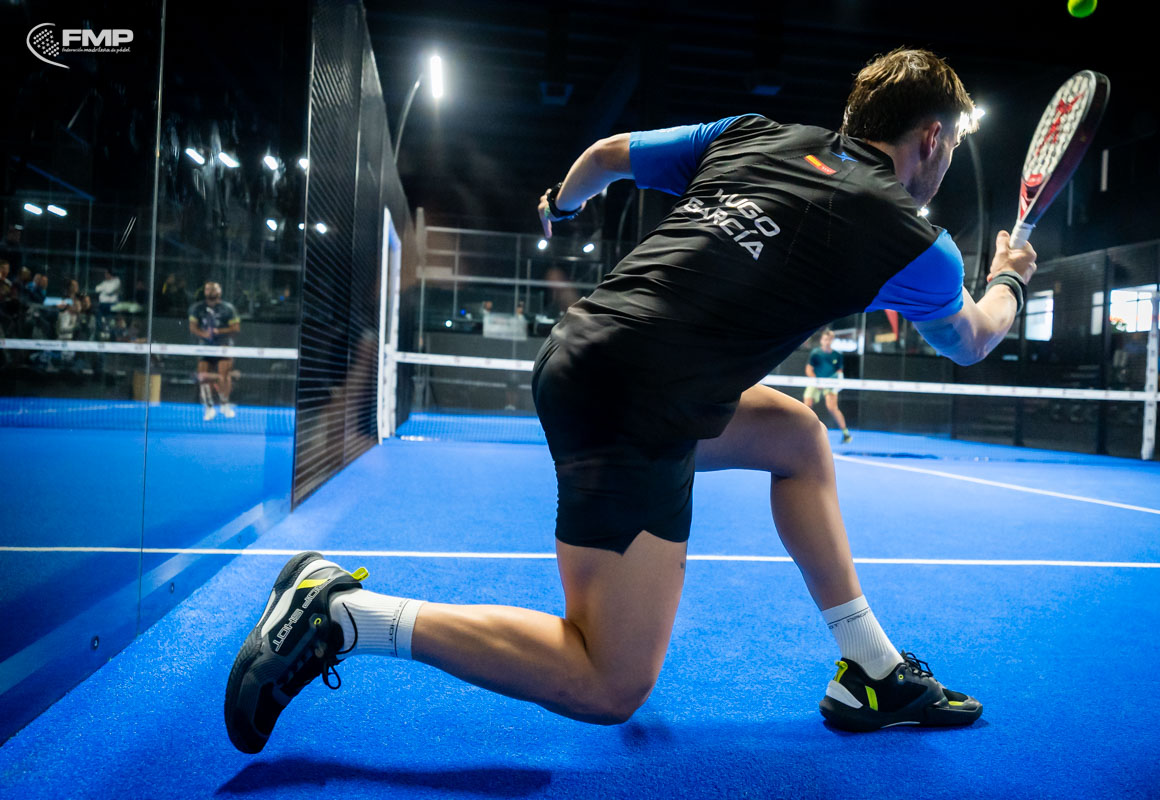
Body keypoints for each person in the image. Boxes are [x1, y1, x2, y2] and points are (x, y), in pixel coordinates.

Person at [225, 48, 1038, 753]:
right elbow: (972, 338)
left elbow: (608, 154)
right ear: (932, 139)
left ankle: (871, 669)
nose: (947, 157)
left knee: (795, 440)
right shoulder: (911, 238)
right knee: (608, 683)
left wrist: (562, 203)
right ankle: (345, 615)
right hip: (639, 399)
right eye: (953, 144)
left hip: (582, 349)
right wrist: (1009, 277)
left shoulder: (753, 133)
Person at [188, 281, 241, 421]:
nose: (211, 291)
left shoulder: (228, 308)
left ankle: (224, 404)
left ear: (219, 291)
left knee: (224, 376)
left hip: (224, 346)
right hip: (205, 347)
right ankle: (209, 408)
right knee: (203, 376)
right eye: (208, 289)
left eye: (214, 289)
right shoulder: (197, 308)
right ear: (205, 291)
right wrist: (204, 334)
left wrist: (219, 331)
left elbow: (236, 328)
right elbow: (193, 327)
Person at [805, 328, 852, 443]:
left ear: (832, 341)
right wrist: (817, 382)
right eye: (825, 339)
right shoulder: (815, 353)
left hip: (831, 383)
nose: (827, 342)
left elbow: (839, 372)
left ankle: (846, 434)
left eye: (829, 340)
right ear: (821, 340)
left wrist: (834, 383)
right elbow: (809, 370)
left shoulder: (837, 355)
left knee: (832, 407)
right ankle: (804, 431)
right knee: (806, 405)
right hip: (816, 381)